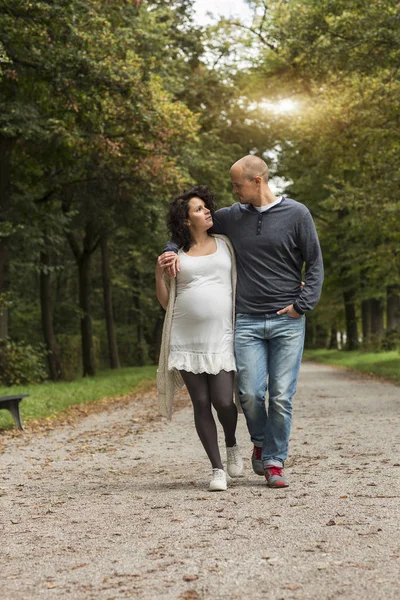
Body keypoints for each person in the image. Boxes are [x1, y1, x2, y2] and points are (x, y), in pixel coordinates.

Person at [160, 156, 324, 489]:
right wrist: (168, 250)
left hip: (287, 320)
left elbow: (315, 262)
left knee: (280, 396)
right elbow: (187, 229)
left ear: (258, 181)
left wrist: (301, 305)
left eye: (237, 184)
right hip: (246, 320)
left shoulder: (297, 214)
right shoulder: (232, 217)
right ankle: (260, 440)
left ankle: (274, 462)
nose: (232, 191)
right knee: (248, 394)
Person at [156, 185, 244, 492]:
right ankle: (217, 468)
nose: (207, 211)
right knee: (201, 402)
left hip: (221, 336)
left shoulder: (226, 243)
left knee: (223, 400)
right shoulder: (176, 254)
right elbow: (167, 303)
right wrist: (159, 273)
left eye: (206, 207)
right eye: (198, 209)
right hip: (185, 337)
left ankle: (232, 442)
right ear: (185, 220)